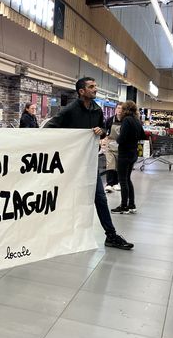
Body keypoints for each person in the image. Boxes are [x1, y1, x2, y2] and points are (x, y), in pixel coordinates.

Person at [46, 77, 134, 250]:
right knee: (61, 198)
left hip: (88, 163)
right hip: (70, 164)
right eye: (91, 87)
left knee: (100, 198)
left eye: (96, 86)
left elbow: (102, 132)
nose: (95, 89)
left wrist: (101, 131)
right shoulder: (70, 110)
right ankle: (53, 234)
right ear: (81, 91)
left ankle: (111, 235)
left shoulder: (97, 110)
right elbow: (50, 127)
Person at [110, 101, 146, 214]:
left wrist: (117, 139)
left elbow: (122, 138)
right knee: (127, 179)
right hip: (133, 153)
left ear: (125, 109)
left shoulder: (126, 120)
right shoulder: (136, 120)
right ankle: (132, 204)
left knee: (123, 180)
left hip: (124, 153)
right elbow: (142, 135)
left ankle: (124, 206)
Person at [103, 104, 122, 192]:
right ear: (115, 109)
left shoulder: (126, 121)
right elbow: (104, 131)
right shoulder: (110, 120)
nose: (120, 110)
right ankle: (109, 184)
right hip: (110, 144)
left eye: (122, 109)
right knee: (110, 164)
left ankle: (116, 183)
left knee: (118, 165)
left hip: (121, 145)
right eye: (118, 108)